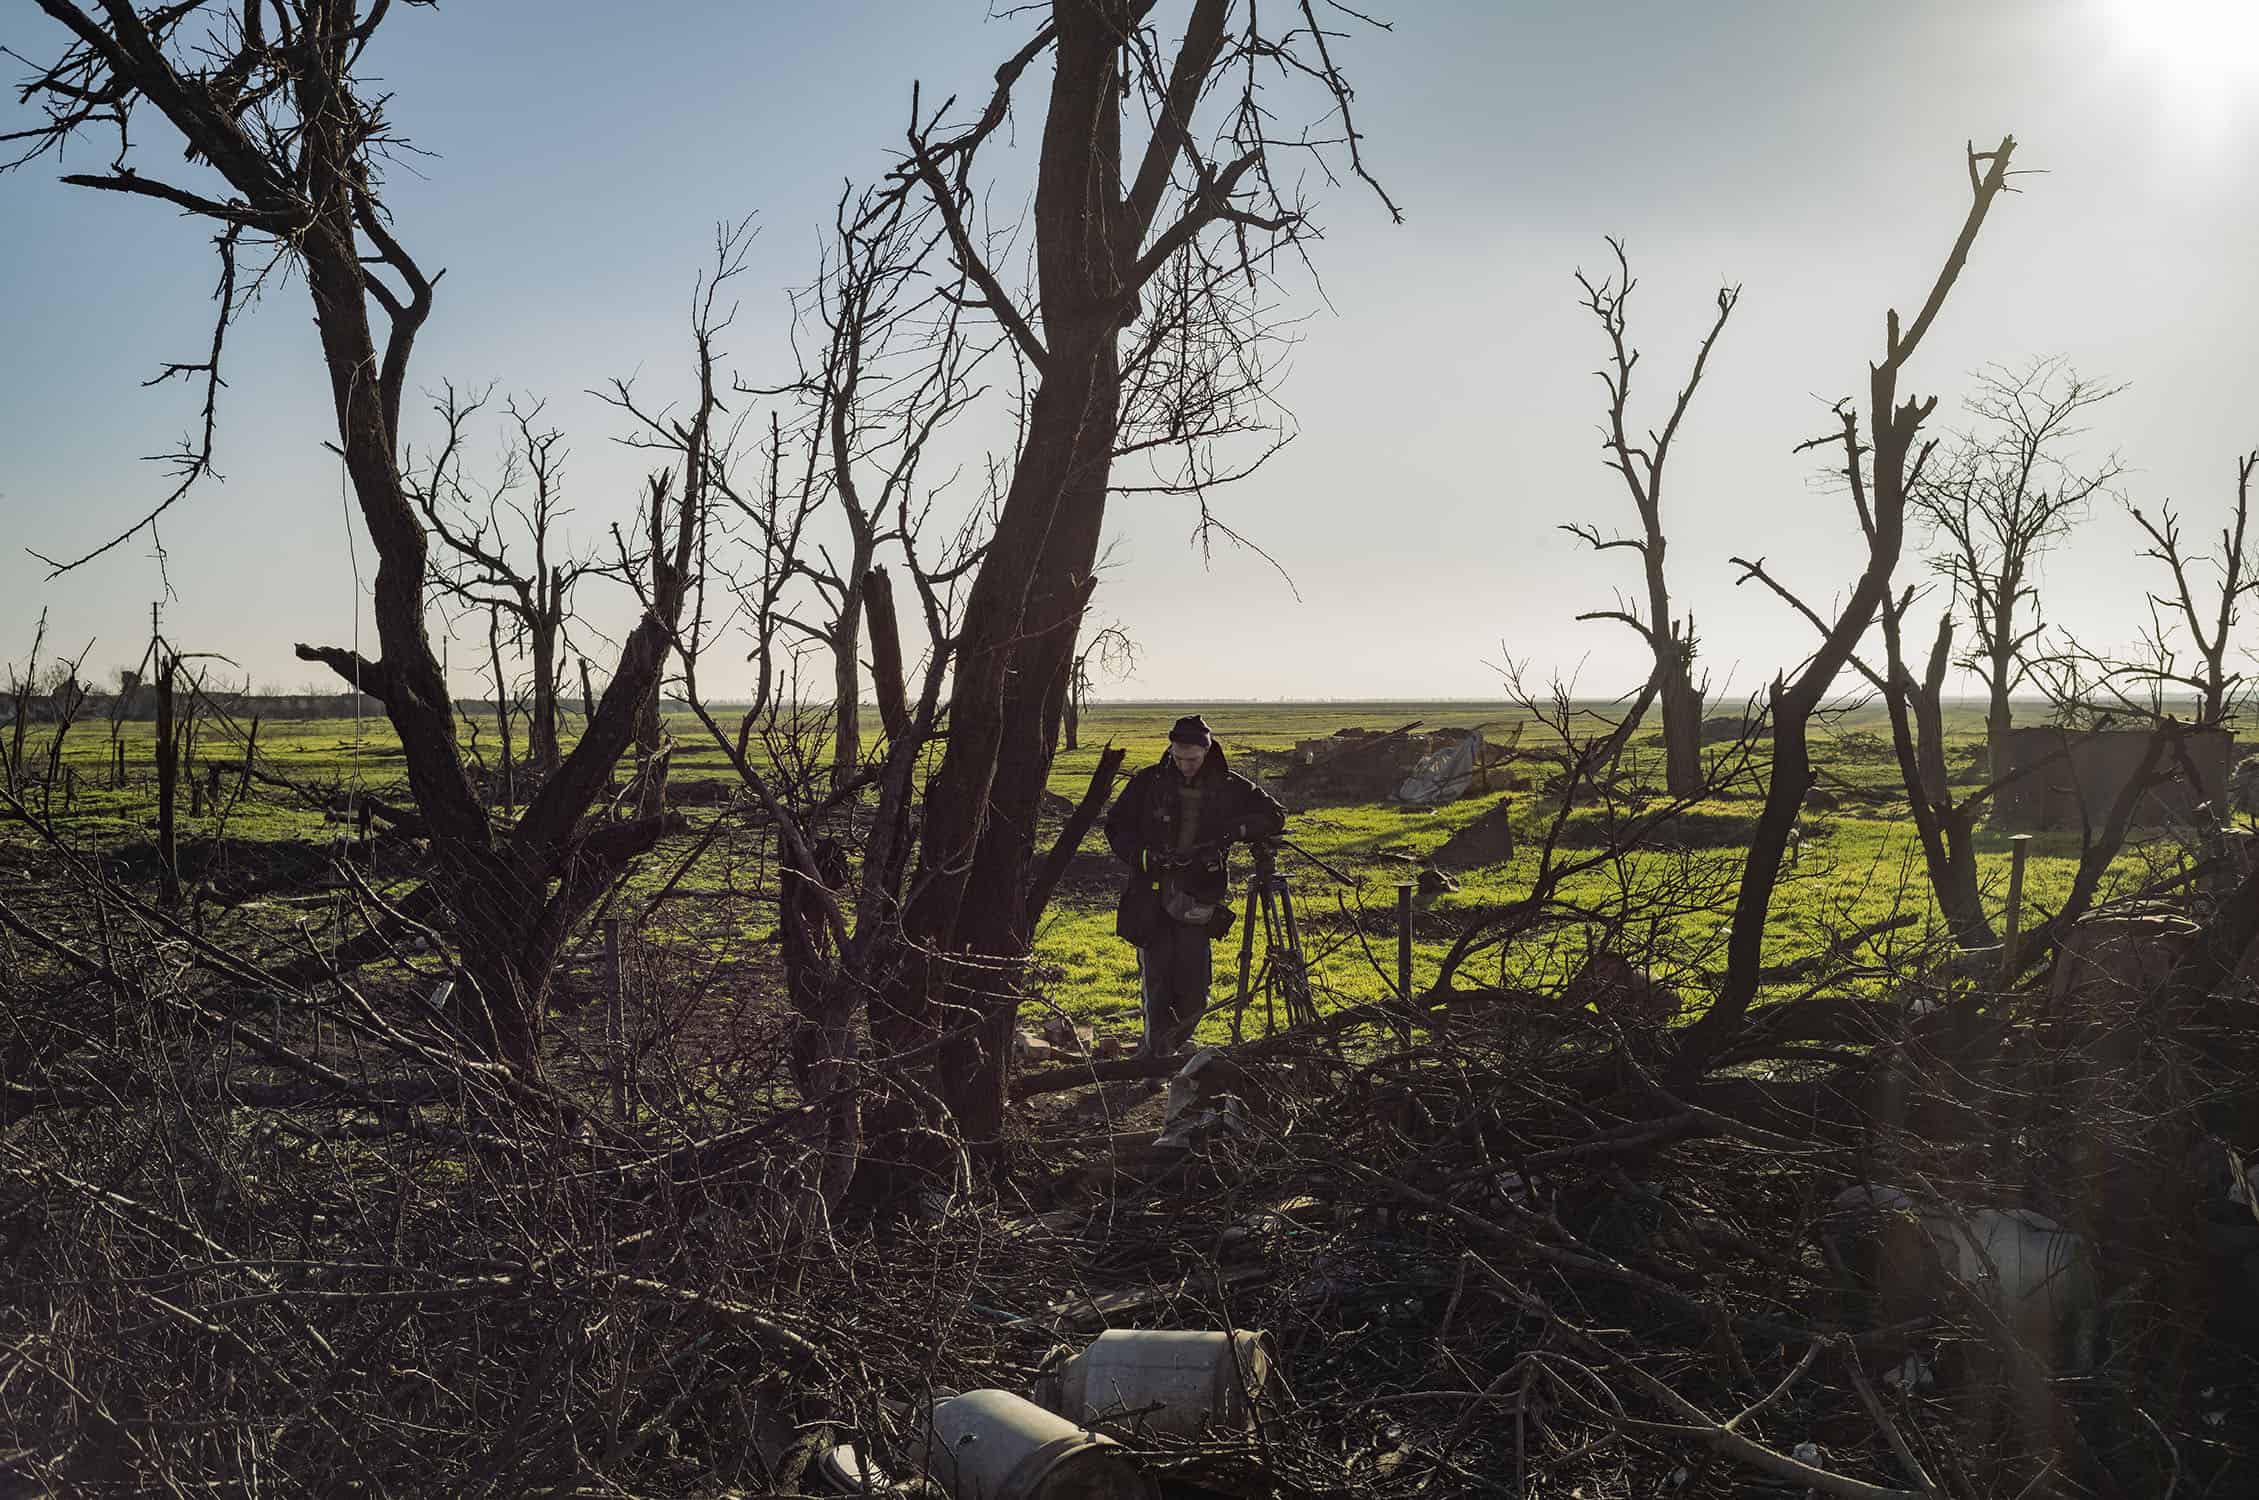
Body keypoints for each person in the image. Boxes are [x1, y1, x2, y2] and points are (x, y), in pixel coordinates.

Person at [1104, 714, 1286, 1056]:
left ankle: (1173, 1042)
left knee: (1194, 985)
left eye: (1192, 759)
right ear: (1170, 751)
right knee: (1157, 980)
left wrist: (1233, 832)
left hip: (1199, 896)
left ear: (1206, 751)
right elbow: (1115, 827)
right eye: (1178, 758)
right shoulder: (1149, 783)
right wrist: (1144, 858)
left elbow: (1274, 815)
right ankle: (1156, 1054)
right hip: (1151, 896)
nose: (1185, 765)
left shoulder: (1229, 786)